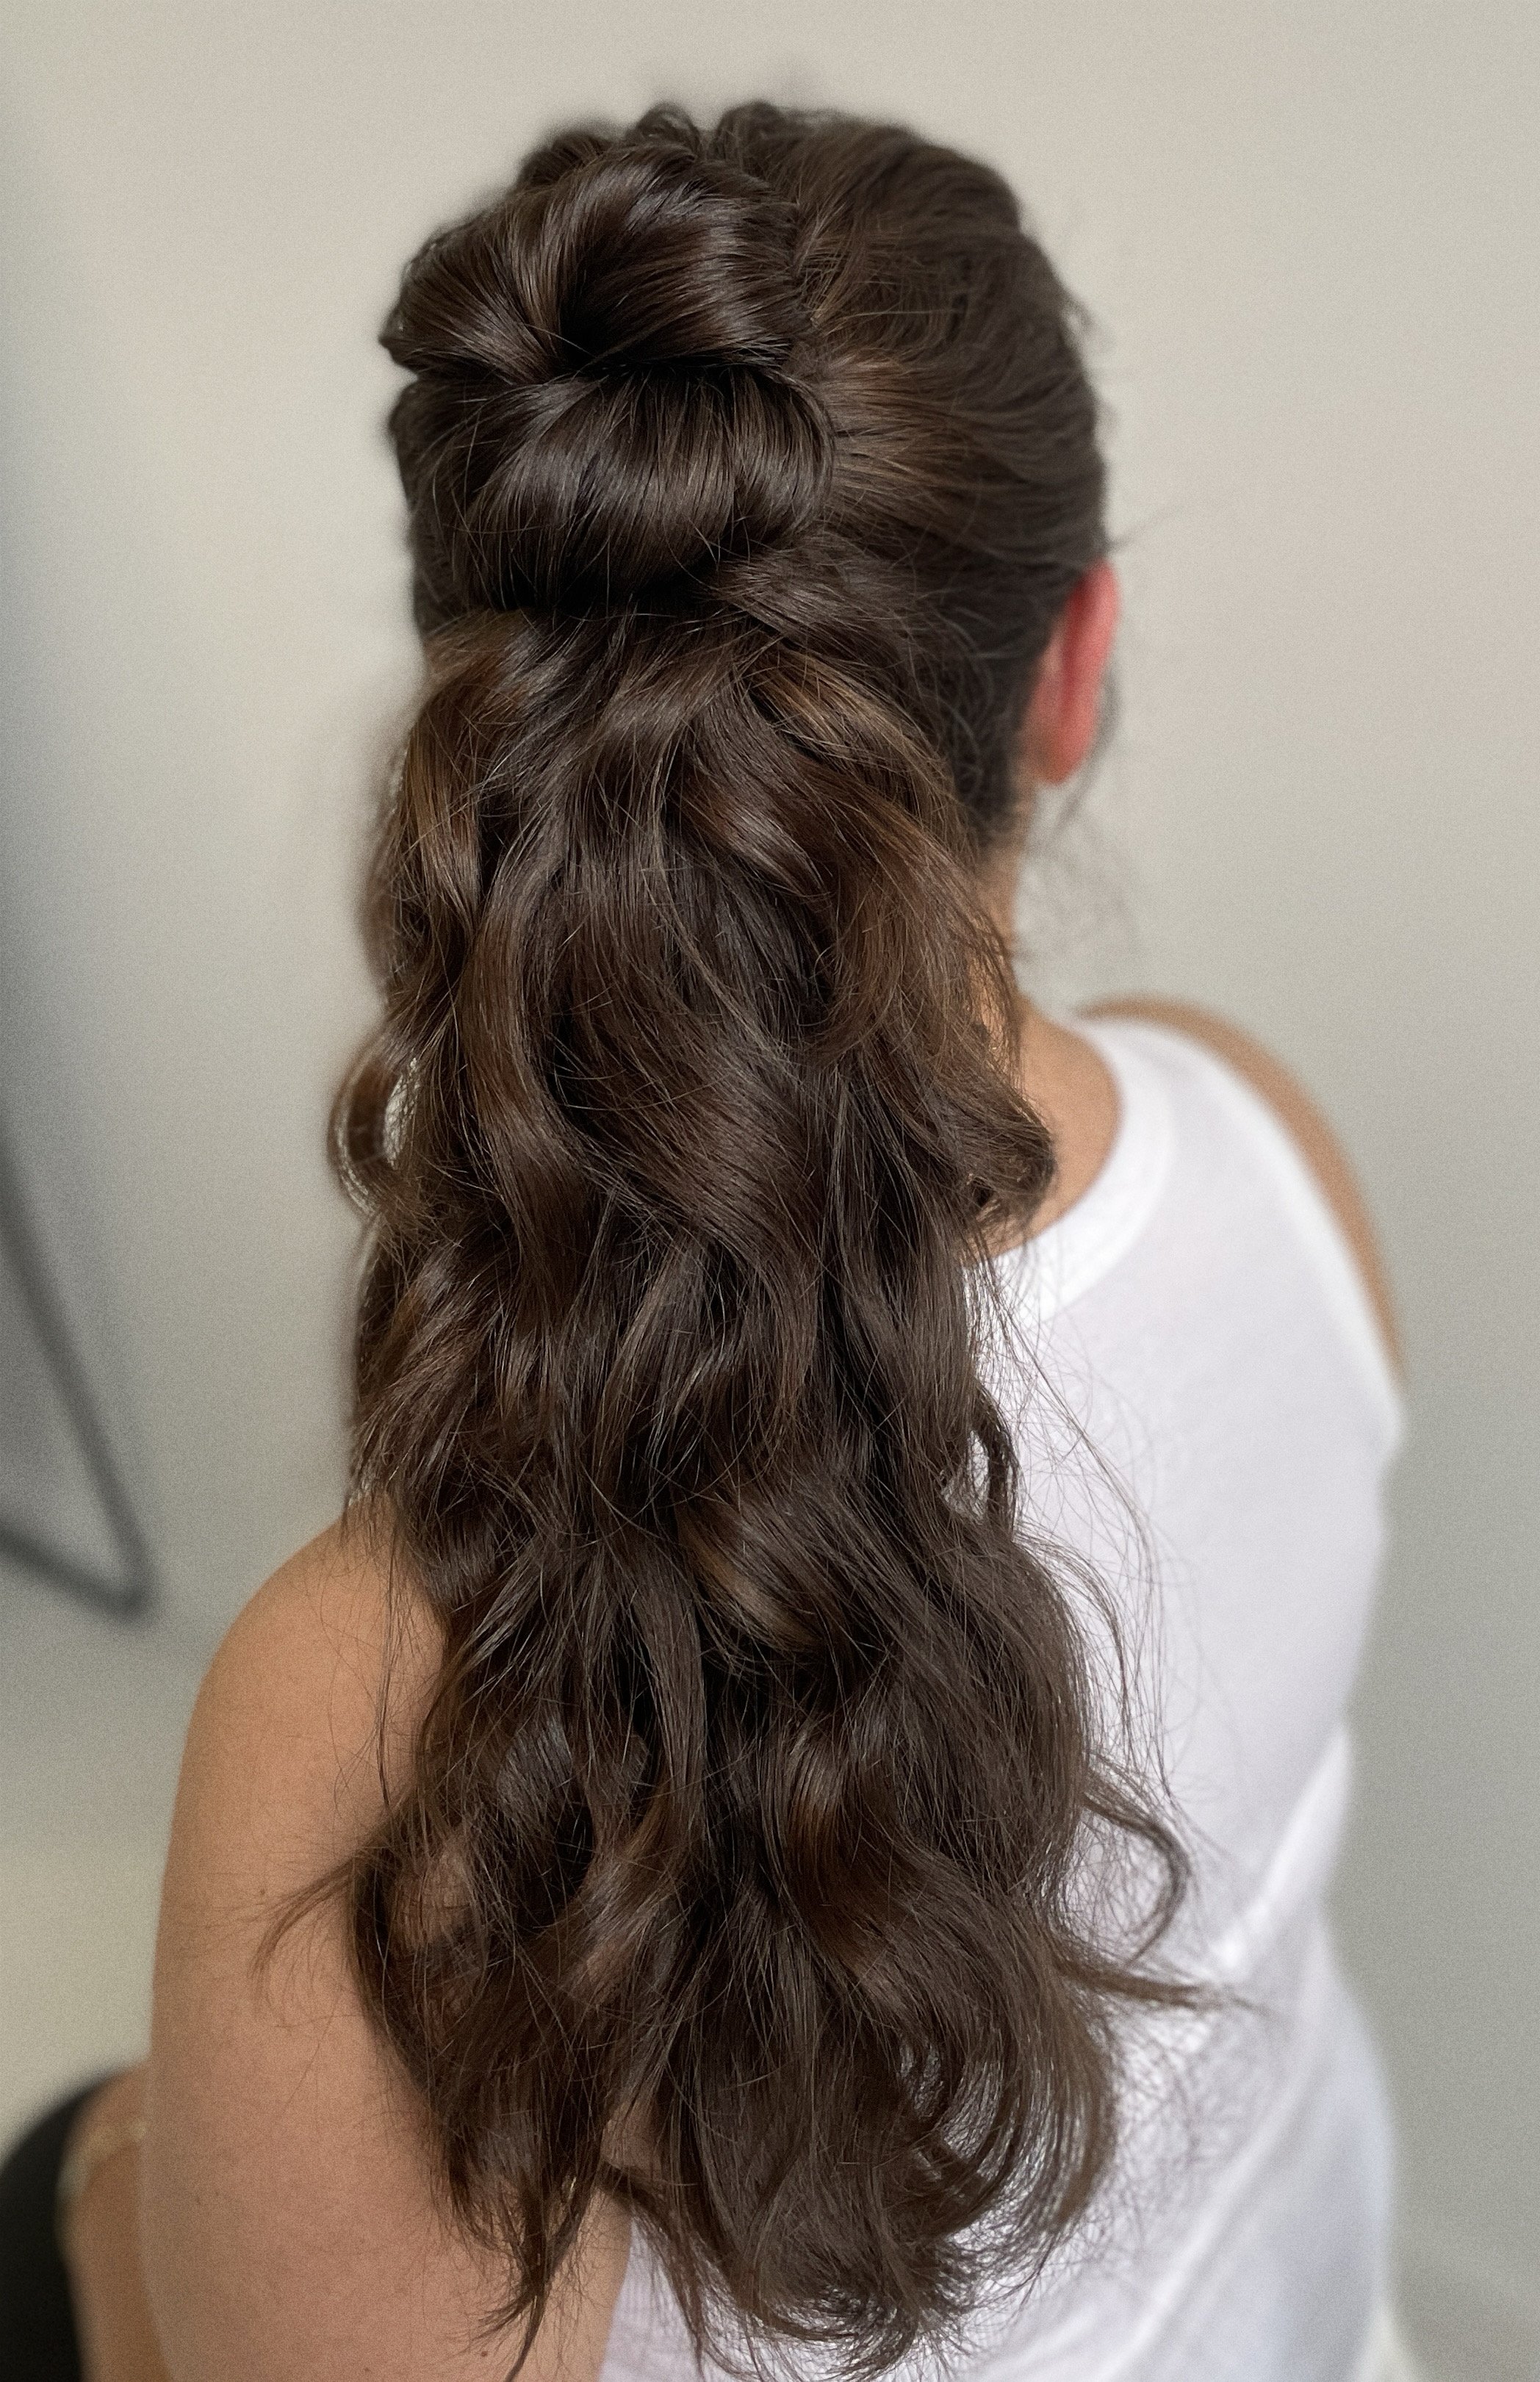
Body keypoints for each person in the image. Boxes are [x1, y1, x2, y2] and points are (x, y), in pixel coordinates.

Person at [2, 100, 1418, 2382]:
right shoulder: (1276, 1151)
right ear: (1070, 670)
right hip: (1315, 2305)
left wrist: (110, 2196)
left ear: (494, 695)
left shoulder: (366, 1710)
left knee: (77, 2163)